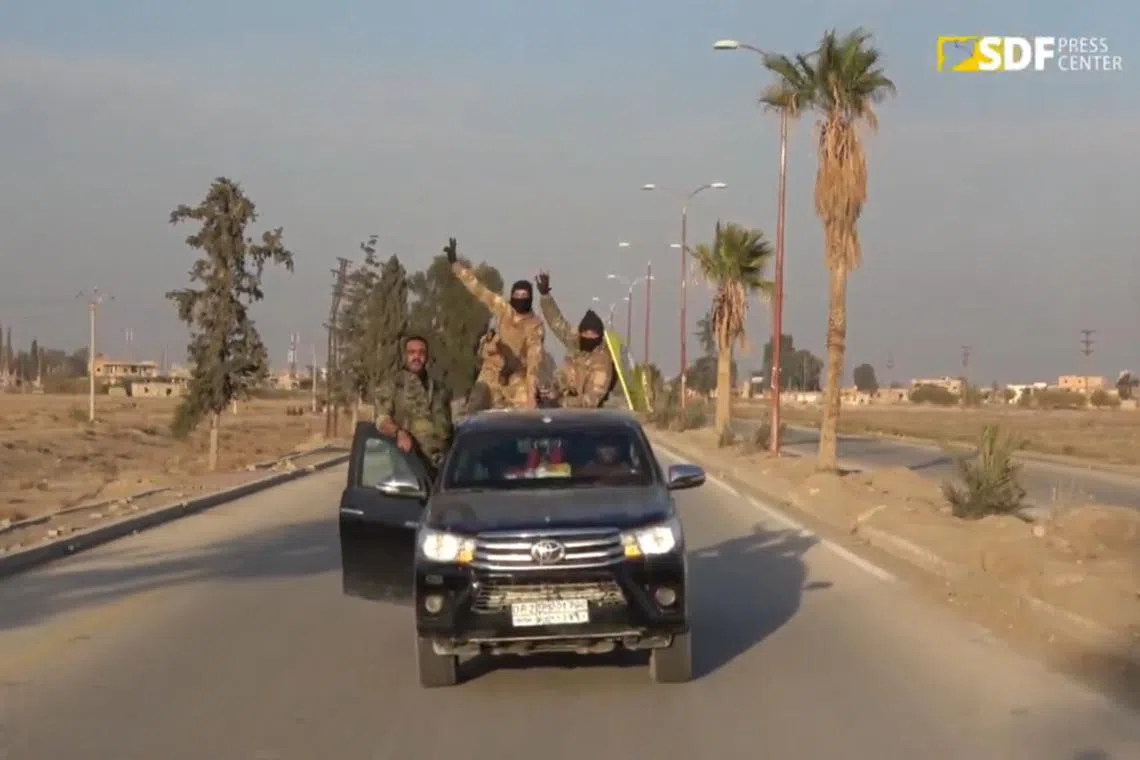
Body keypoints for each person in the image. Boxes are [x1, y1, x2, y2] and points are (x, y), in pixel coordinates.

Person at [446, 237, 544, 409]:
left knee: (524, 407)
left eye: (524, 296)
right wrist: (456, 265)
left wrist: (531, 394)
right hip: (493, 369)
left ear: (530, 298)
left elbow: (533, 361)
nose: (520, 299)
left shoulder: (535, 326)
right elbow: (478, 289)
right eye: (517, 295)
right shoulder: (504, 310)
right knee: (476, 401)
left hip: (516, 374)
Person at [373, 335, 453, 476]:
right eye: (412, 352)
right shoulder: (393, 386)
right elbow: (381, 420)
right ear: (404, 356)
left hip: (442, 470)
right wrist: (399, 433)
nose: (417, 357)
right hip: (410, 467)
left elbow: (449, 428)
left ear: (427, 357)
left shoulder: (439, 389)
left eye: (421, 353)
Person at [534, 270, 615, 408]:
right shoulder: (575, 343)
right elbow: (557, 323)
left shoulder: (602, 362)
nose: (588, 337)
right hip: (565, 410)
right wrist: (545, 296)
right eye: (586, 333)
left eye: (593, 334)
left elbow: (590, 402)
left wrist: (560, 403)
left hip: (590, 418)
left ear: (600, 336)